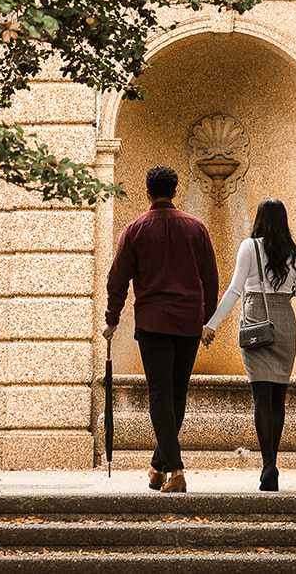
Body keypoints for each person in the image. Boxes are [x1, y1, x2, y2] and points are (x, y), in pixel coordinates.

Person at [103, 165, 218, 494]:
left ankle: (175, 469)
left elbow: (117, 278)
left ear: (148, 192)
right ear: (176, 191)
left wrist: (113, 318)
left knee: (160, 394)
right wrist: (206, 320)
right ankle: (158, 467)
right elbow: (210, 279)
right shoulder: (197, 228)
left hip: (153, 322)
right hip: (187, 323)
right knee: (176, 394)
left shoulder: (135, 228)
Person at [201, 197, 296, 492]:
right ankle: (273, 461)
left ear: (260, 220)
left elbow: (235, 289)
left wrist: (211, 325)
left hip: (255, 322)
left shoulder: (249, 247)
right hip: (285, 325)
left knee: (261, 398)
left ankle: (267, 465)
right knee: (278, 399)